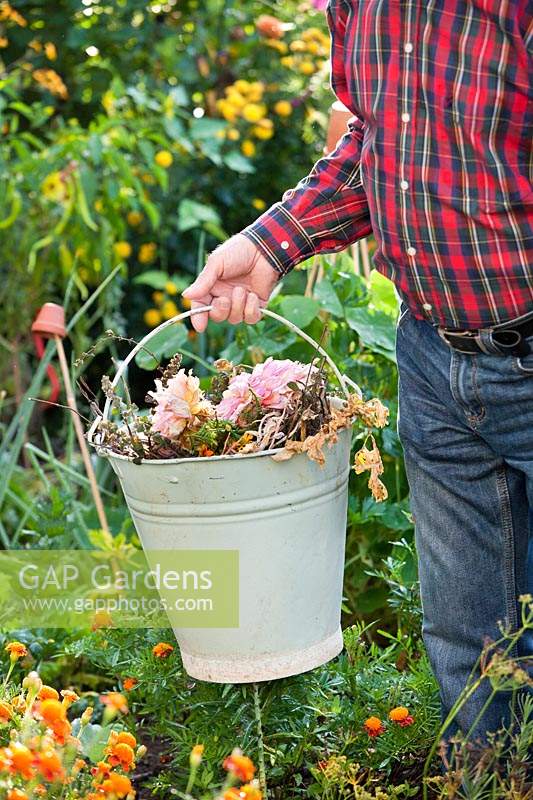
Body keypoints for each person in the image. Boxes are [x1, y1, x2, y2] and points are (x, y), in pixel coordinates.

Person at [183, 1, 533, 743]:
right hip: (434, 353)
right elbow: (383, 137)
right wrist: (272, 244)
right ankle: (484, 779)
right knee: (465, 640)